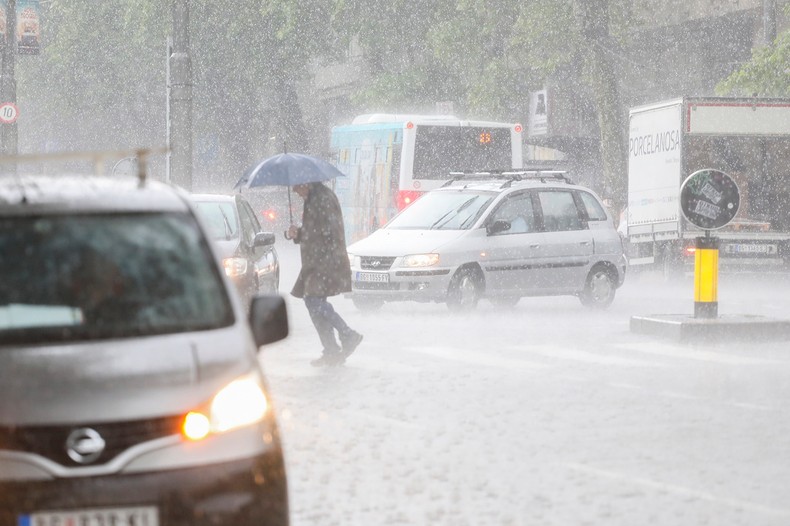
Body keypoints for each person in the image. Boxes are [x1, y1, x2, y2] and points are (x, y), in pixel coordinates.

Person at [287, 181, 363, 366]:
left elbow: (327, 231)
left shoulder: (322, 199)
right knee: (313, 302)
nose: (295, 191)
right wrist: (298, 233)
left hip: (326, 261)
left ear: (306, 182)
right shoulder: (315, 198)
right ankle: (331, 349)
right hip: (318, 260)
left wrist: (300, 233)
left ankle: (347, 334)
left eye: (296, 186)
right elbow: (317, 231)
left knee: (313, 300)